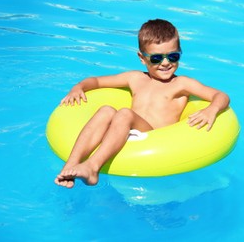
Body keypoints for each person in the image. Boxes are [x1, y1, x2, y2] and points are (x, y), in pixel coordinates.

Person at [54, 19, 230, 189]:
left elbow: (220, 95)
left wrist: (212, 109)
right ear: (142, 58)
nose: (166, 63)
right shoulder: (135, 78)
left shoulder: (182, 84)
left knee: (124, 113)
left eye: (173, 56)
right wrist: (78, 87)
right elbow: (97, 82)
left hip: (154, 138)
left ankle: (92, 167)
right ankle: (70, 166)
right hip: (125, 130)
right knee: (105, 110)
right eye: (156, 59)